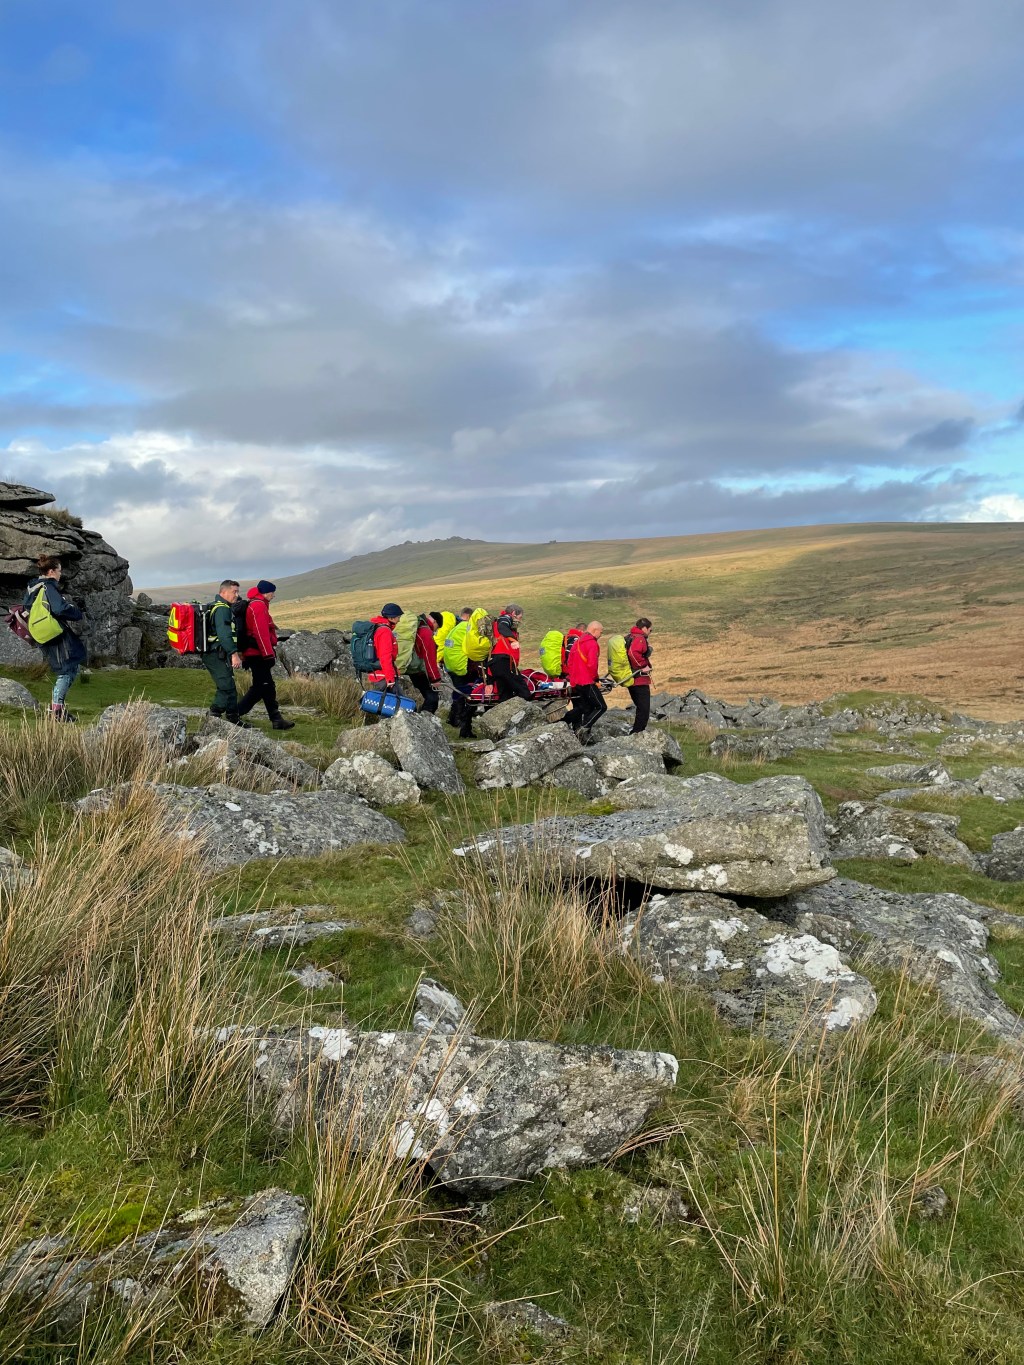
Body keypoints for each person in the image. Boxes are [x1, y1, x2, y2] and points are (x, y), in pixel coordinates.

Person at [23, 554, 87, 721]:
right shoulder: (48, 587)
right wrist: (76, 611)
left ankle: (58, 709)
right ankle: (56, 712)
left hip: (41, 634)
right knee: (67, 670)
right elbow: (59, 609)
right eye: (59, 571)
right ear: (51, 571)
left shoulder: (32, 588)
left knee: (70, 668)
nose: (60, 574)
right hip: (55, 634)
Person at [236, 580, 294, 730]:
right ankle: (235, 714)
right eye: (272, 592)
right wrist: (268, 655)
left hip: (256, 652)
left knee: (266, 686)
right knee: (261, 686)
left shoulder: (257, 604)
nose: (274, 595)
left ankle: (276, 719)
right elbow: (260, 633)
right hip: (257, 654)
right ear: (266, 592)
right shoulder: (258, 606)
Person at [201, 580, 245, 723]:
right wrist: (234, 654)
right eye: (234, 592)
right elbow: (224, 635)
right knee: (225, 685)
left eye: (238, 592)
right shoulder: (222, 609)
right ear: (223, 592)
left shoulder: (219, 607)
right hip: (215, 654)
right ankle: (214, 715)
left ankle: (233, 718)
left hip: (219, 653)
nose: (237, 595)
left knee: (230, 685)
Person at [564, 621, 607, 741]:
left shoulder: (577, 642)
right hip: (587, 681)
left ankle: (566, 722)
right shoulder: (592, 643)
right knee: (601, 707)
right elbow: (592, 665)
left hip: (576, 682)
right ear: (594, 630)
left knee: (586, 707)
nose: (601, 635)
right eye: (601, 632)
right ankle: (583, 729)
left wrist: (573, 678)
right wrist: (595, 679)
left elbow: (570, 662)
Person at [442, 613, 478, 737]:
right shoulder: (468, 629)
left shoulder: (455, 628)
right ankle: (462, 724)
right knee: (467, 695)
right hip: (462, 667)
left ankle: (453, 719)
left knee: (458, 693)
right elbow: (472, 648)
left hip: (451, 665)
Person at [489, 603, 532, 702]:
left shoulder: (496, 622)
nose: (520, 620)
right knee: (524, 692)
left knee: (505, 695)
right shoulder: (505, 618)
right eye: (520, 617)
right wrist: (513, 640)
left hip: (495, 663)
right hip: (504, 662)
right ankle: (526, 714)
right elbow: (502, 626)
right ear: (513, 613)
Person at [404, 612, 442, 713]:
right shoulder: (426, 632)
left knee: (429, 696)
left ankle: (420, 719)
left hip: (410, 667)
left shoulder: (417, 627)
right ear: (434, 622)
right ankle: (423, 722)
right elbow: (429, 659)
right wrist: (435, 679)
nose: (436, 630)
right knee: (432, 698)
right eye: (437, 627)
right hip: (417, 670)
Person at [625, 617, 653, 734]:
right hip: (639, 678)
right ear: (644, 628)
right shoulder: (639, 638)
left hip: (631, 677)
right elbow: (633, 653)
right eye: (650, 630)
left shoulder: (630, 636)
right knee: (644, 708)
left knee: (640, 706)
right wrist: (643, 666)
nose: (650, 632)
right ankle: (637, 732)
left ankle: (637, 731)